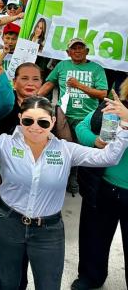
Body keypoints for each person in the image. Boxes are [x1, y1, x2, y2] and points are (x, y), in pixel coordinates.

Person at [0, 93, 128, 290]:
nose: (35, 127)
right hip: (7, 222)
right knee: (7, 283)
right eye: (28, 120)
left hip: (48, 230)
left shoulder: (66, 150)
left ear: (53, 121)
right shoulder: (5, 143)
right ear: (20, 119)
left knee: (49, 285)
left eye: (43, 122)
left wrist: (125, 124)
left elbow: (108, 157)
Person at [73, 90, 128, 290]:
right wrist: (94, 140)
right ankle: (90, 276)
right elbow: (81, 127)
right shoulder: (114, 106)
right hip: (103, 185)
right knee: (93, 235)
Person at [39, 37, 108, 127]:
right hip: (63, 115)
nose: (77, 51)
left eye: (80, 48)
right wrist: (33, 98)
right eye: (74, 48)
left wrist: (78, 85)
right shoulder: (62, 65)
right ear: (68, 53)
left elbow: (103, 94)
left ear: (87, 51)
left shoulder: (97, 68)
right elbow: (49, 84)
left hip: (87, 118)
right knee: (63, 140)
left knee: (83, 140)